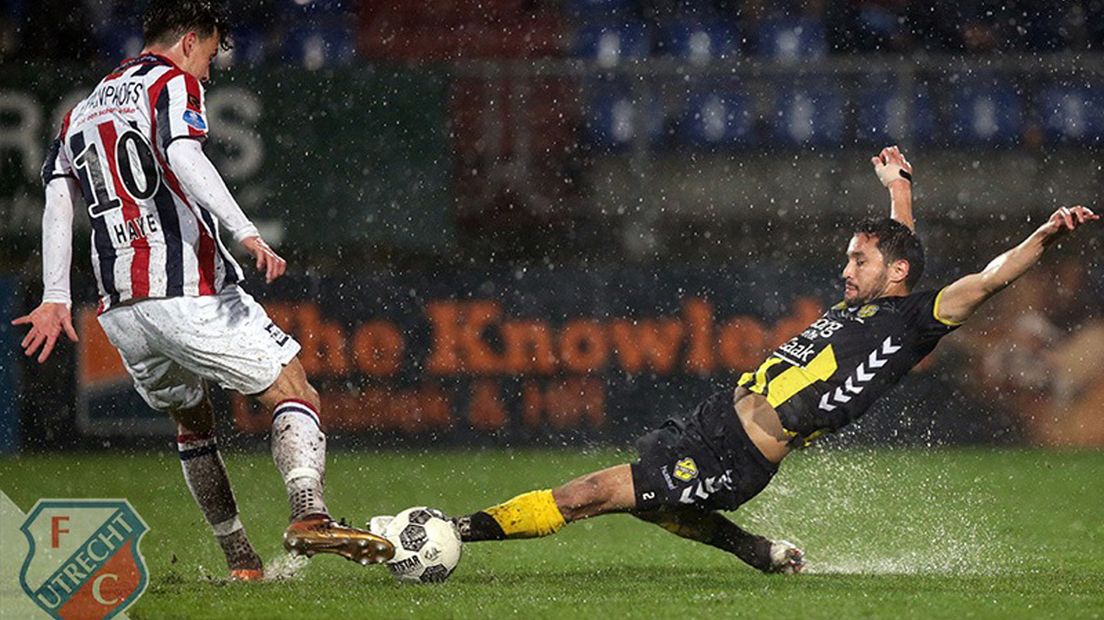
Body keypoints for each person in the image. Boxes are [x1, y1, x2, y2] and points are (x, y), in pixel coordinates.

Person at [375, 146, 1098, 574]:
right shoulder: (868, 303)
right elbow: (897, 242)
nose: (845, 269)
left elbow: (993, 275)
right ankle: (756, 552)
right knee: (658, 508)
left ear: (897, 275)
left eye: (858, 260)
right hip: (715, 416)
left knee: (591, 495)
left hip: (746, 454)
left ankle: (452, 532)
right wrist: (899, 190)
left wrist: (1047, 233)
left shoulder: (918, 319)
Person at [13, 0, 393, 581]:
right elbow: (181, 153)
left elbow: (59, 203)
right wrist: (245, 230)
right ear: (190, 40)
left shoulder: (81, 110)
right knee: (294, 388)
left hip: (120, 309)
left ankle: (240, 560)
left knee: (192, 424)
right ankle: (309, 514)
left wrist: (56, 294)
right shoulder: (170, 83)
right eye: (212, 54)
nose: (210, 71)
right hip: (185, 288)